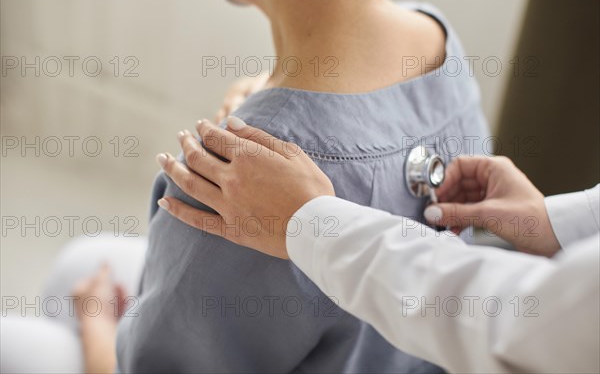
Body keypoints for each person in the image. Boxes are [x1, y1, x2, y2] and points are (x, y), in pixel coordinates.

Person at [113, 0, 489, 372]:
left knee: (70, 286)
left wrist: (96, 335)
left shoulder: (235, 184)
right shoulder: (435, 40)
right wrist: (272, 100)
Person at [156, 117, 600, 373]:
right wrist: (558, 224)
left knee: (88, 262)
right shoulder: (438, 45)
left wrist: (310, 222)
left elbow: (512, 322)